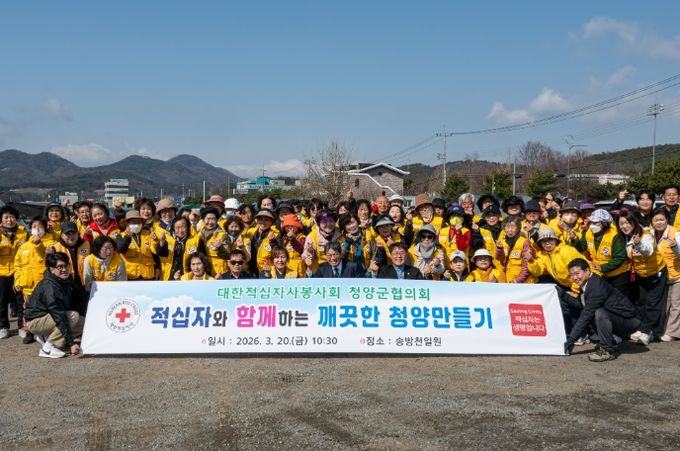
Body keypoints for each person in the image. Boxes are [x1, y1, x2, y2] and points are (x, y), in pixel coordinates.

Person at [564, 258, 641, 362]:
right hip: (620, 317)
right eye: (572, 275)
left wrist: (571, 340)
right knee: (592, 312)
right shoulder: (588, 282)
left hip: (630, 321)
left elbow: (586, 315)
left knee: (598, 312)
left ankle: (607, 350)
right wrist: (563, 295)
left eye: (577, 273)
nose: (574, 277)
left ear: (587, 270)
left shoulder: (596, 286)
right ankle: (609, 342)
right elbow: (581, 305)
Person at [618, 211, 667, 345]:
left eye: (628, 222)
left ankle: (647, 332)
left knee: (652, 303)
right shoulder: (625, 237)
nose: (625, 226)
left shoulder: (646, 235)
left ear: (634, 222)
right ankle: (643, 328)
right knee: (640, 302)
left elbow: (648, 251)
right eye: (621, 223)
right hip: (641, 274)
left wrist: (638, 244)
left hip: (656, 272)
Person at [25, 252, 84, 358]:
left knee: (83, 323)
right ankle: (48, 347)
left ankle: (48, 337)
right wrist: (71, 343)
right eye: (60, 267)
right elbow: (59, 316)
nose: (64, 269)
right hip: (36, 321)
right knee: (72, 316)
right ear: (52, 269)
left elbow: (76, 293)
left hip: (49, 317)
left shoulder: (66, 278)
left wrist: (86, 289)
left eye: (66, 265)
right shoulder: (50, 287)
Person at [14, 216, 53, 344]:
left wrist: (38, 244)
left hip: (43, 284)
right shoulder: (24, 246)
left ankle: (45, 332)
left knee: (46, 308)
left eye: (40, 226)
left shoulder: (50, 243)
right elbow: (18, 266)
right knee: (27, 309)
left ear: (45, 228)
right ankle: (29, 331)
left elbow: (46, 256)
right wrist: (17, 281)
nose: (37, 228)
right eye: (34, 226)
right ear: (30, 229)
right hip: (28, 285)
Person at [574, 209, 630, 297]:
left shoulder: (615, 235)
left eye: (596, 223)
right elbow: (582, 247)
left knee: (619, 299)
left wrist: (602, 267)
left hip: (618, 275)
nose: (592, 225)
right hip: (601, 274)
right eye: (592, 222)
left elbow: (619, 257)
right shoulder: (589, 232)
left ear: (605, 223)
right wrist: (575, 240)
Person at [649, 208, 680, 342]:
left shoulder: (675, 233)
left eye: (661, 219)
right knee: (665, 305)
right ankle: (663, 330)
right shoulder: (650, 234)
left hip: (677, 275)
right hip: (661, 276)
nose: (659, 222)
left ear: (667, 220)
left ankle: (672, 332)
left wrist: (675, 246)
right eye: (656, 220)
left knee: (676, 304)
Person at [0, 205, 28, 339]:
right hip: (2, 272)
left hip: (19, 270)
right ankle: (3, 326)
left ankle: (22, 326)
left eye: (11, 217)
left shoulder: (23, 232)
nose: (9, 220)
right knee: (2, 301)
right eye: (6, 217)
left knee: (20, 300)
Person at [51, 221, 90, 315]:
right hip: (66, 285)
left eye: (73, 233)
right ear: (62, 235)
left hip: (84, 283)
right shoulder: (55, 248)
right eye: (67, 234)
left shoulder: (87, 244)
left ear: (78, 233)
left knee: (86, 310)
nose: (71, 236)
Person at [155, 216, 205, 280]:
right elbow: (160, 254)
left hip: (189, 279)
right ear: (173, 228)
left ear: (188, 227)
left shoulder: (196, 241)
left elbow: (203, 260)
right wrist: (161, 242)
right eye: (177, 228)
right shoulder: (168, 240)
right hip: (169, 278)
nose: (180, 231)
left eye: (183, 227)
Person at [116, 210, 158, 281]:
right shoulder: (121, 236)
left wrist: (157, 267)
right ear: (127, 223)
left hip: (148, 275)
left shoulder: (149, 234)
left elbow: (155, 253)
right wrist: (127, 237)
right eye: (133, 222)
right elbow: (121, 249)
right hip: (130, 275)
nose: (136, 224)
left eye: (138, 222)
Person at [495, 216, 534, 284]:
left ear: (518, 228)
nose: (510, 230)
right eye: (507, 227)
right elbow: (500, 260)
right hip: (508, 280)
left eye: (513, 227)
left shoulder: (524, 242)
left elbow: (527, 266)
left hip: (522, 283)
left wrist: (516, 281)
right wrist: (499, 249)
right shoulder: (502, 242)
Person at [199, 207, 231, 276]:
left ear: (217, 220)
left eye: (213, 219)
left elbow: (228, 256)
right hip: (204, 270)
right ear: (203, 220)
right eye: (208, 219)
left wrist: (220, 248)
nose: (210, 222)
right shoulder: (199, 234)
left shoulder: (223, 235)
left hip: (219, 272)